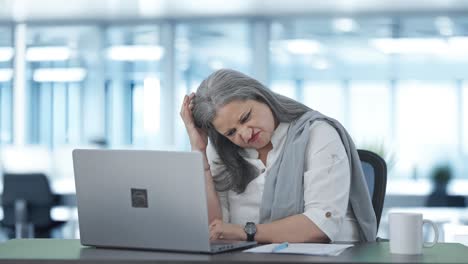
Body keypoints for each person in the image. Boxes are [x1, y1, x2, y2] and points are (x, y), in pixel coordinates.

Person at [180, 69, 376, 243]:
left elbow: (320, 226)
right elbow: (214, 229)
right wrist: (199, 153)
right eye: (231, 132)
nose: (245, 134)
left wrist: (245, 232)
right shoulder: (223, 149)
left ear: (261, 96)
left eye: (246, 117)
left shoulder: (317, 133)